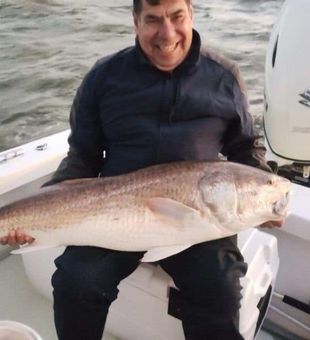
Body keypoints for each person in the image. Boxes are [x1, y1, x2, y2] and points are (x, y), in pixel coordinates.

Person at [0, 0, 283, 339]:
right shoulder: (103, 78)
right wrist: (41, 208)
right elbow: (83, 155)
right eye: (153, 20)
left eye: (177, 17)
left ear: (191, 14)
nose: (167, 33)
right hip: (116, 211)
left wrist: (264, 198)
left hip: (200, 214)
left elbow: (243, 147)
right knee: (77, 280)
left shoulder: (223, 77)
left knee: (219, 287)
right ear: (135, 21)